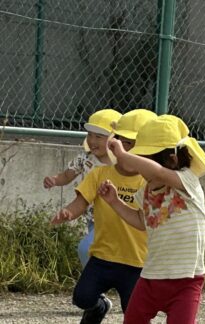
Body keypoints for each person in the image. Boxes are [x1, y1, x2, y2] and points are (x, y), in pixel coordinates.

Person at [98, 114, 205, 324]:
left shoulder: (187, 182)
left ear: (172, 159)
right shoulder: (145, 191)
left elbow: (158, 172)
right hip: (151, 277)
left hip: (186, 281)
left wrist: (124, 156)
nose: (142, 171)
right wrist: (115, 202)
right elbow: (141, 221)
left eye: (145, 161)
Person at [50, 109, 155, 324]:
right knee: (82, 297)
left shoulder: (149, 182)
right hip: (102, 256)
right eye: (121, 142)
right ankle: (98, 308)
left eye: (132, 144)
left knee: (134, 314)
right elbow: (81, 201)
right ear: (113, 144)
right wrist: (68, 212)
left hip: (136, 262)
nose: (125, 150)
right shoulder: (99, 174)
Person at [43, 109, 121, 267]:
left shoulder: (121, 164)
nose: (92, 141)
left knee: (86, 249)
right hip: (92, 217)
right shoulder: (85, 159)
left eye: (99, 136)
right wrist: (55, 180)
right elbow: (67, 175)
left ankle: (92, 283)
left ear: (115, 139)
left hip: (114, 218)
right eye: (90, 135)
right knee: (99, 254)